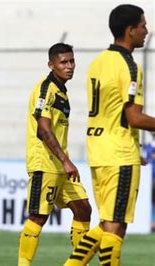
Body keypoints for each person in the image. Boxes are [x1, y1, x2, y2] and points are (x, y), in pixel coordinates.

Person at [65, 4, 154, 266]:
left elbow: (111, 112)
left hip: (99, 152)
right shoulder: (129, 66)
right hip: (119, 155)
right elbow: (134, 117)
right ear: (129, 31)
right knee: (115, 228)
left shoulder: (98, 62)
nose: (146, 31)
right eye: (142, 26)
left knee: (107, 223)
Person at [18, 43, 92, 266]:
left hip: (59, 163)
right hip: (46, 162)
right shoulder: (46, 89)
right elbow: (43, 129)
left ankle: (78, 263)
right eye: (63, 62)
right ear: (51, 64)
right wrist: (66, 160)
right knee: (38, 217)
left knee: (83, 208)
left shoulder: (60, 89)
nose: (69, 66)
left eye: (71, 61)